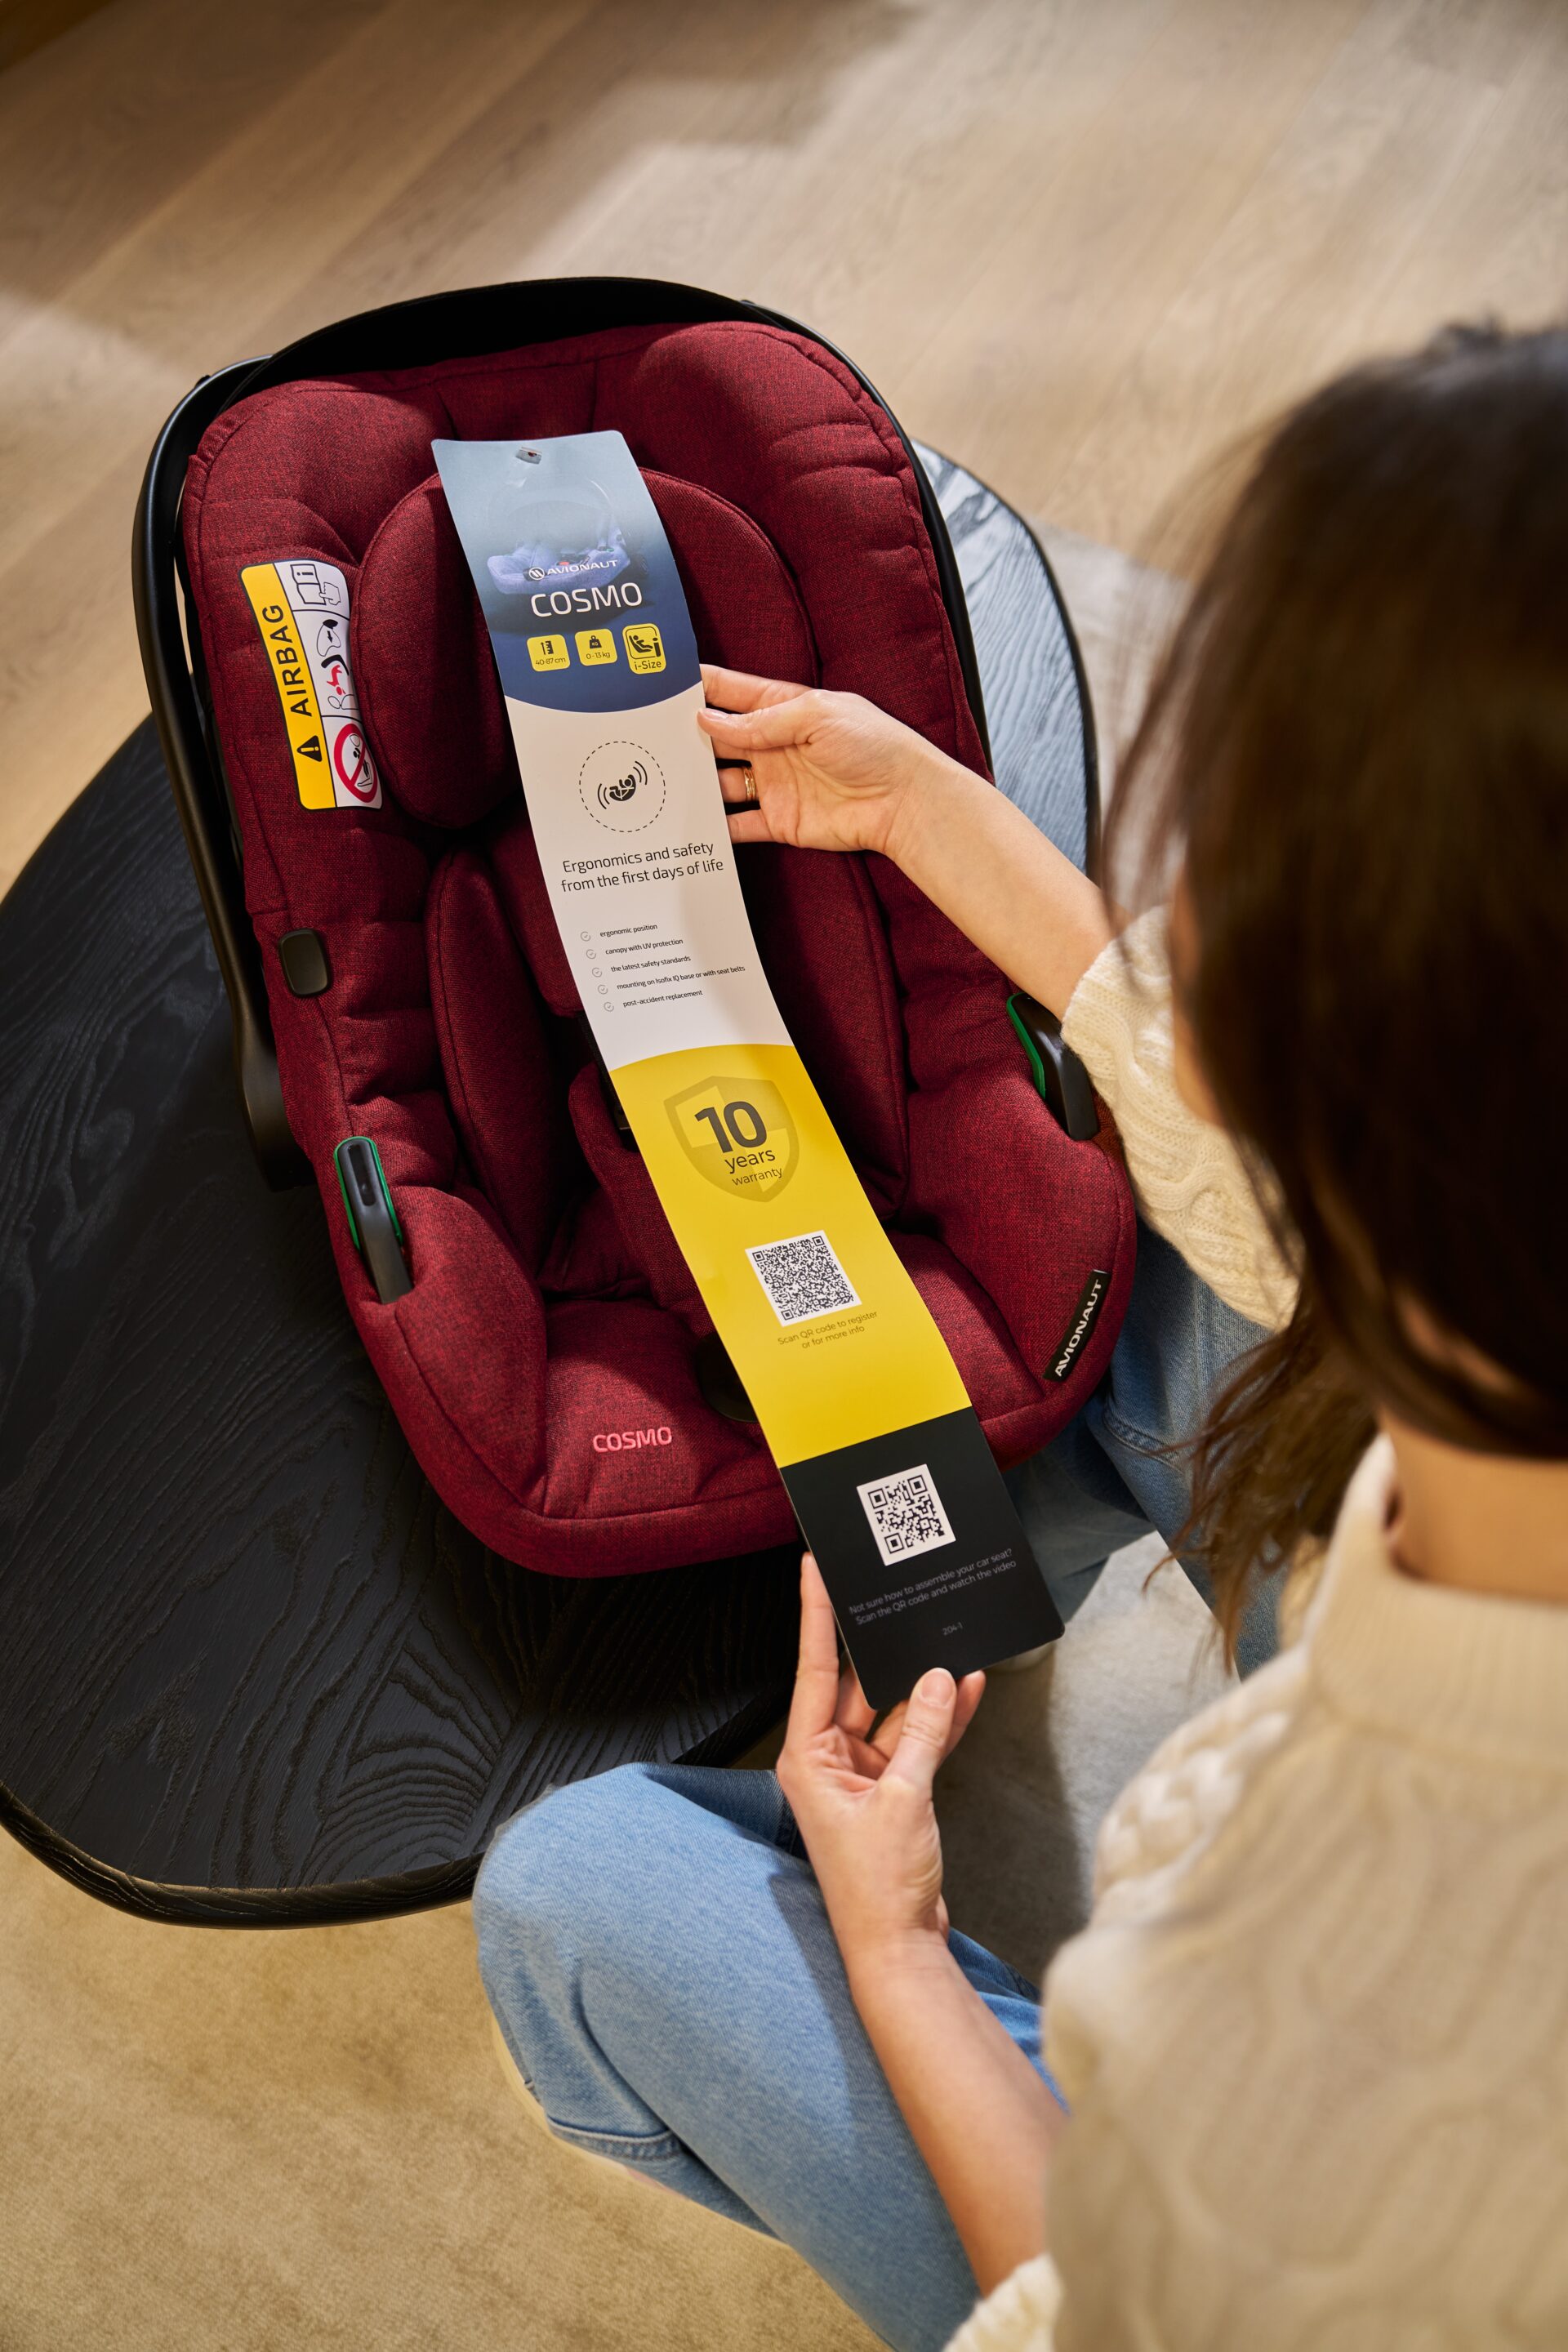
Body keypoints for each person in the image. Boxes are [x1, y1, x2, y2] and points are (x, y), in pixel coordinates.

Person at [474, 323, 1568, 2350]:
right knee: (1170, 1278)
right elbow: (1276, 1188)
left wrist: (897, 1946)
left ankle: (889, 1744)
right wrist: (918, 809)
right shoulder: (1493, 1247)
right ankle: (967, 1586)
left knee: (573, 1900)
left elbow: (1088, 2318)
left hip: (1189, 2236)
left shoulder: (1328, 1999)